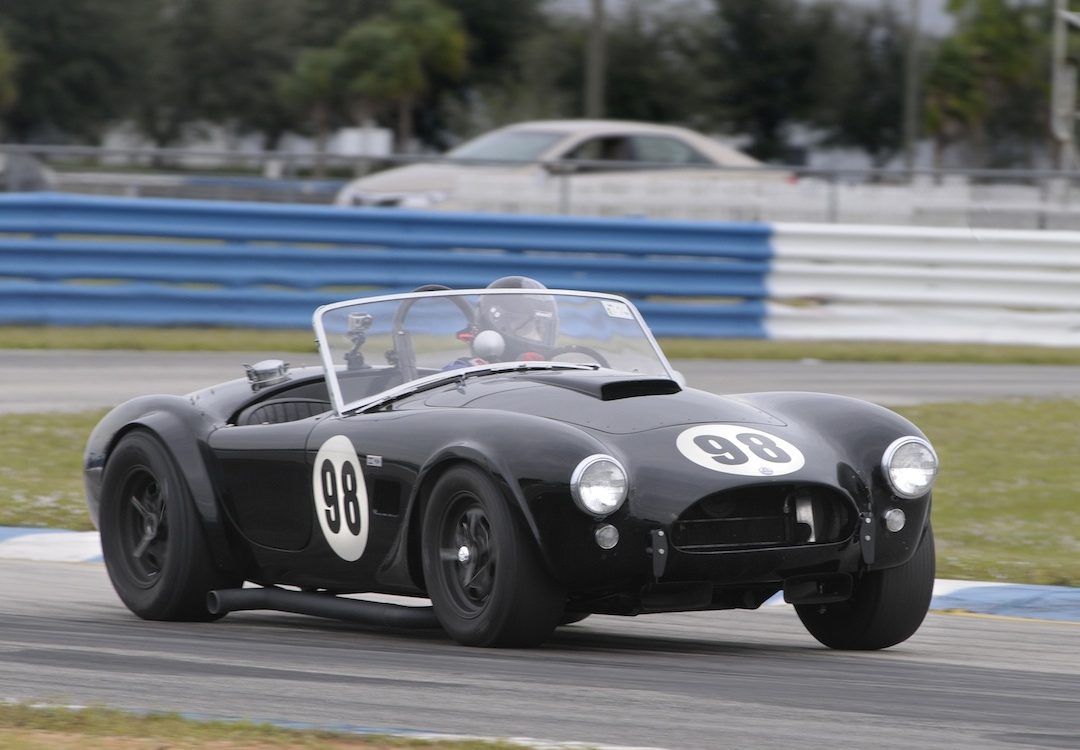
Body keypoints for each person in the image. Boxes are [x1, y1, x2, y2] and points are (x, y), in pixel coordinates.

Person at [442, 276, 558, 370]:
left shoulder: (555, 374)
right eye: (527, 329)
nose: (538, 338)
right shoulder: (466, 371)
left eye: (541, 330)